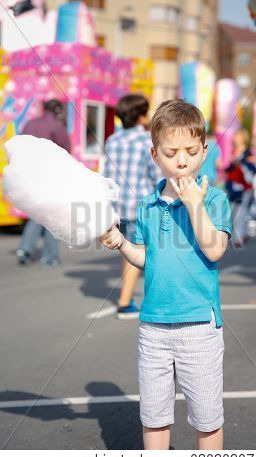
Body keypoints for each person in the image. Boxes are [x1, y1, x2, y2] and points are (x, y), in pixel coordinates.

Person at [100, 99, 232, 450]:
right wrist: (121, 243)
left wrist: (194, 204)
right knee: (154, 417)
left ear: (204, 150)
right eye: (171, 152)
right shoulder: (147, 204)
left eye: (191, 150)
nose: (182, 160)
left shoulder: (215, 200)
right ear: (155, 154)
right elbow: (146, 257)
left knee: (206, 419)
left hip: (198, 327)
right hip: (153, 326)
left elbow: (215, 249)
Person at [101, 94, 163, 319]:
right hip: (141, 205)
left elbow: (106, 175)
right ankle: (125, 302)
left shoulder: (112, 140)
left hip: (118, 206)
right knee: (144, 253)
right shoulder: (147, 141)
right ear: (141, 116)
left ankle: (127, 299)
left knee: (128, 251)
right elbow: (157, 175)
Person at [16, 99, 71, 266]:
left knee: (38, 213)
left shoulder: (30, 123)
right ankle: (49, 256)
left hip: (29, 176)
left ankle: (26, 249)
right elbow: (66, 151)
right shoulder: (56, 126)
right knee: (51, 215)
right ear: (57, 111)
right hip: (50, 177)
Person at [225, 128, 256, 247]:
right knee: (235, 212)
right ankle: (239, 236)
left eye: (237, 136)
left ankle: (239, 237)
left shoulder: (248, 153)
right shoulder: (234, 152)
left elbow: (253, 170)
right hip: (234, 186)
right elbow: (229, 168)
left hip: (245, 187)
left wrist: (241, 164)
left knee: (241, 212)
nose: (234, 139)